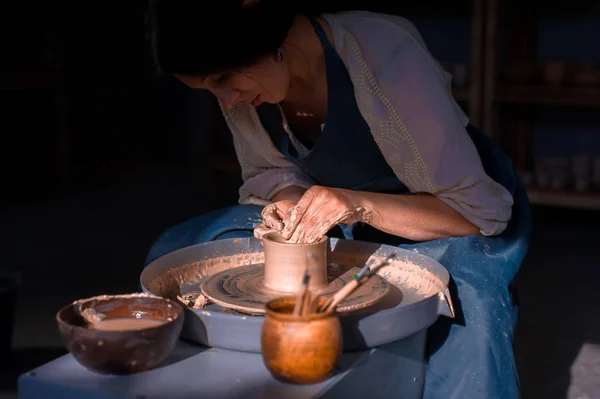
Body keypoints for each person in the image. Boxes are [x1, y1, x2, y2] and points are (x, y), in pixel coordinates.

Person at [147, 1, 531, 397]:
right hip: (335, 205)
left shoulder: (383, 49)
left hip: (446, 208)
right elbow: (270, 172)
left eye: (223, 78)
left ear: (260, 31)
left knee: (463, 301)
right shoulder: (247, 87)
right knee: (183, 250)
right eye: (209, 89)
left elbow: (475, 210)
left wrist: (357, 204)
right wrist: (289, 200)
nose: (226, 101)